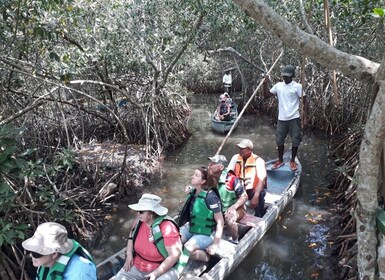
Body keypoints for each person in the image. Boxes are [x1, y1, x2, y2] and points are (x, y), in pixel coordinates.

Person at [116, 193, 186, 280]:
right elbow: (131, 237)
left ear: (152, 212)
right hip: (138, 265)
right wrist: (129, 254)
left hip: (163, 268)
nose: (138, 214)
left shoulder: (167, 227)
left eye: (141, 211)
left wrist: (156, 273)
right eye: (137, 211)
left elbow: (174, 255)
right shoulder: (138, 222)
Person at [262, 64, 308, 171]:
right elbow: (266, 96)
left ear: (292, 76)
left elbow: (305, 102)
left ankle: (292, 160)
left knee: (296, 140)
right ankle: (280, 160)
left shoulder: (297, 86)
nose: (285, 78)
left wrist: (305, 118)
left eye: (287, 76)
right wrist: (265, 84)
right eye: (284, 76)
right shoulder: (278, 86)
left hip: (294, 118)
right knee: (279, 140)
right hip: (282, 119)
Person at [178, 167, 224, 262]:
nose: (192, 177)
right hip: (192, 227)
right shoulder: (194, 192)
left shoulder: (211, 198)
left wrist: (215, 245)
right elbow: (190, 193)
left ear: (203, 181)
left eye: (196, 175)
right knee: (171, 241)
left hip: (206, 233)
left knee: (186, 249)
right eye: (193, 174)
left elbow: (220, 222)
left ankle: (208, 258)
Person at [22, 222, 97, 280]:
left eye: (36, 254)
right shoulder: (45, 264)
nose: (31, 255)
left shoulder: (80, 272)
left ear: (54, 253)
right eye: (31, 251)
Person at [208, 155, 248, 244]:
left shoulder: (231, 179)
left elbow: (244, 196)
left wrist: (234, 207)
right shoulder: (208, 177)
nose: (209, 165)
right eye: (210, 163)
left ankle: (235, 239)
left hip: (236, 209)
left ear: (221, 167)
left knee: (229, 216)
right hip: (217, 210)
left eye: (213, 163)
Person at [228, 139, 267, 218]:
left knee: (259, 195)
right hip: (239, 189)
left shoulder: (258, 161)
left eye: (243, 149)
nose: (240, 150)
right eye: (240, 148)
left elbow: (261, 180)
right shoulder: (236, 158)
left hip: (252, 190)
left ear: (250, 150)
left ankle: (259, 215)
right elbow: (228, 174)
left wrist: (256, 196)